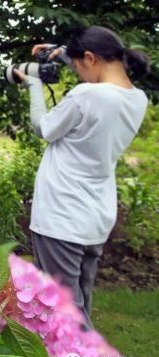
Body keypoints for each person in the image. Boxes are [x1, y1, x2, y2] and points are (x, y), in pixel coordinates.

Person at [13, 26, 150, 329]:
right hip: (95, 217)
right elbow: (98, 73)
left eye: (77, 66)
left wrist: (34, 86)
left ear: (90, 57)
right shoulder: (137, 99)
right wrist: (62, 53)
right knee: (80, 302)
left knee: (66, 318)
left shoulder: (86, 95)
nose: (76, 73)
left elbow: (44, 128)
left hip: (61, 216)